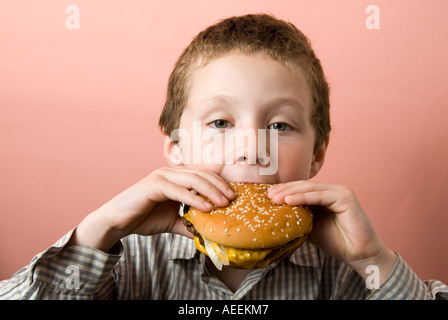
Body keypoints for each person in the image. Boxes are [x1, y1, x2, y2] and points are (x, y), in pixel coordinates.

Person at [1, 13, 446, 300]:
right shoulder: (128, 259)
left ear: (316, 155)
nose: (251, 147)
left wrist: (374, 262)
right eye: (220, 123)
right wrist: (99, 231)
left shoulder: (347, 270)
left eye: (280, 126)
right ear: (177, 149)